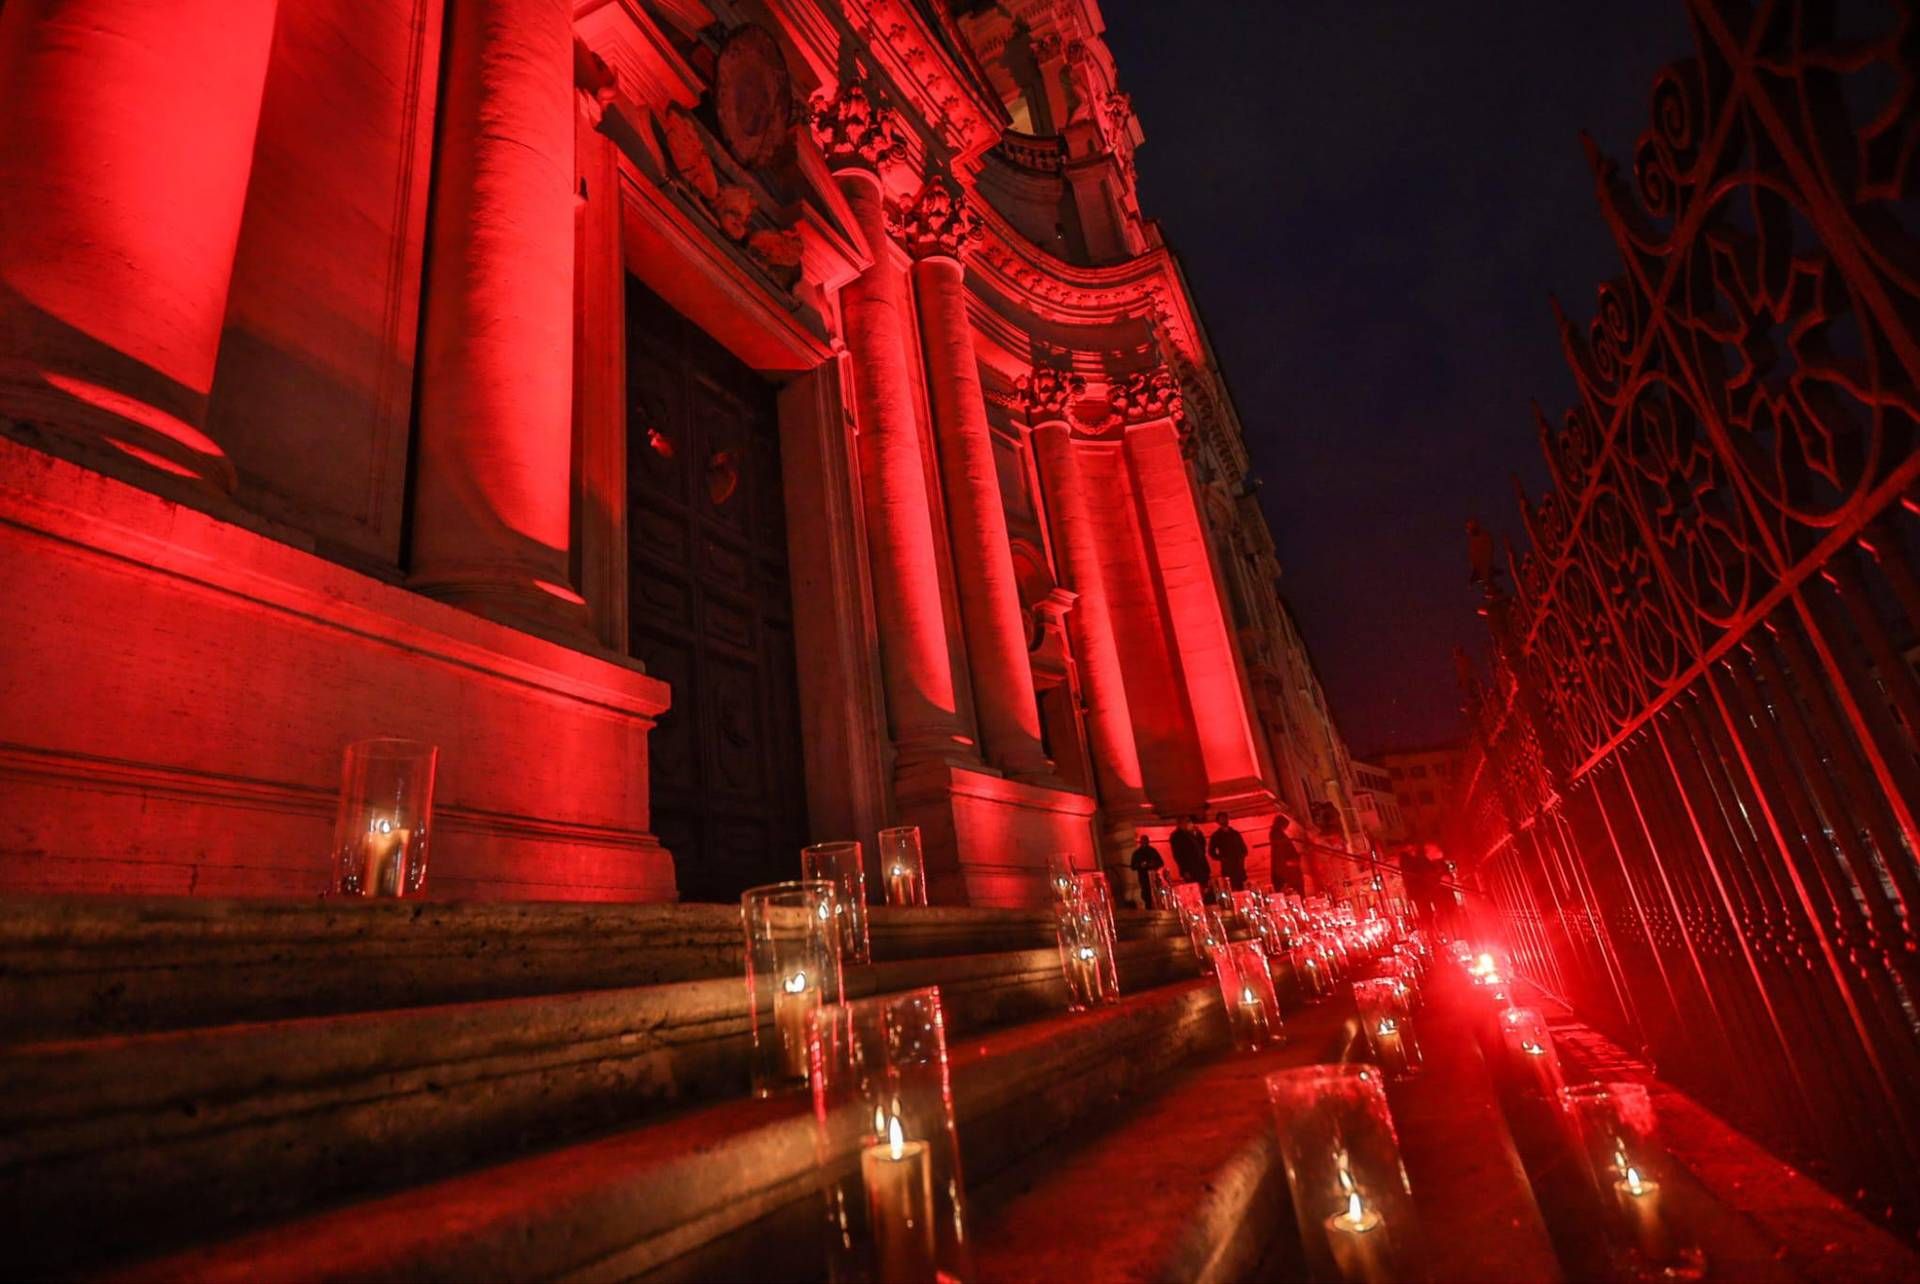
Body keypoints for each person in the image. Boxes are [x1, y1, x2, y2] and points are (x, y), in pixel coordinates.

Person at [1209, 812, 1249, 891]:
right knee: (1231, 887)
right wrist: (1222, 858)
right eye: (1222, 818)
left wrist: (1242, 856)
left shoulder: (1235, 833)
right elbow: (1211, 851)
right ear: (1218, 821)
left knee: (1241, 888)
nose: (1224, 820)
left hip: (1239, 866)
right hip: (1228, 868)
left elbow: (1243, 848)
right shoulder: (1217, 836)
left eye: (1225, 818)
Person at [1269, 815, 1305, 895]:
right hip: (1288, 872)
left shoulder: (1278, 834)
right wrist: (1289, 862)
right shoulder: (1277, 834)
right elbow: (1280, 853)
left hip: (1288, 870)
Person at [1169, 814, 1209, 885]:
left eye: (1190, 821)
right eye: (1187, 821)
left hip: (1201, 866)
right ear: (1180, 823)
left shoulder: (1192, 834)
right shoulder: (1177, 836)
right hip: (1191, 869)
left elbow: (1202, 846)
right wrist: (1185, 870)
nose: (1190, 823)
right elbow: (1178, 855)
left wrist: (1198, 834)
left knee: (1205, 886)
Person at [1128, 833, 1164, 908]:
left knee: (1155, 892)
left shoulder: (1152, 851)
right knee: (1146, 894)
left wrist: (1153, 864)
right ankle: (1149, 907)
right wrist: (1140, 865)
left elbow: (1160, 862)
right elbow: (1133, 866)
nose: (1144, 843)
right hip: (1143, 877)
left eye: (1145, 841)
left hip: (1153, 876)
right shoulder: (1137, 853)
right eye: (1143, 841)